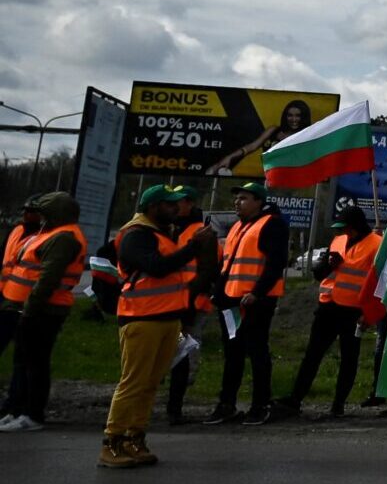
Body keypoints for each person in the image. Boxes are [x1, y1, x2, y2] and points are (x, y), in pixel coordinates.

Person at [104, 185, 203, 467]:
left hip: (166, 318)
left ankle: (134, 438)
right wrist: (192, 249)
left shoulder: (160, 234)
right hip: (141, 319)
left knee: (148, 384)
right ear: (152, 207)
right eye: (169, 204)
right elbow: (157, 267)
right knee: (133, 382)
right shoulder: (136, 235)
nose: (176, 208)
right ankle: (111, 441)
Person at [276, 204, 379, 420]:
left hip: (354, 311)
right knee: (313, 354)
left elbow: (380, 283)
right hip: (328, 306)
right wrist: (328, 264)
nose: (343, 232)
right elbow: (319, 274)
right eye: (341, 228)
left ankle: (338, 404)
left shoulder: (376, 244)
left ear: (358, 226)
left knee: (349, 359)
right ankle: (295, 399)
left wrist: (370, 314)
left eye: (347, 227)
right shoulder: (338, 240)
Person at [0, 191, 87, 431]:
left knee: (35, 363)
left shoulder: (64, 237)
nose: (39, 217)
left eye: (43, 212)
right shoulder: (51, 233)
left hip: (43, 310)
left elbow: (48, 278)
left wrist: (29, 309)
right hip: (26, 307)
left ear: (55, 213)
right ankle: (16, 409)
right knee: (23, 362)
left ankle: (32, 414)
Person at [210, 180, 288, 425]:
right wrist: (219, 293)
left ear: (258, 202)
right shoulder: (238, 227)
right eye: (237, 198)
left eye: (244, 198)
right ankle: (227, 404)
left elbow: (276, 264)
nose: (237, 202)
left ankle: (260, 404)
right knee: (233, 354)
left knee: (257, 352)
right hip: (232, 301)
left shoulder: (272, 224)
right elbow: (228, 265)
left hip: (257, 302)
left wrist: (258, 292)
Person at [164, 188, 217, 427]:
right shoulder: (170, 228)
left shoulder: (200, 232)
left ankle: (174, 408)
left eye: (178, 202)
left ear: (190, 203)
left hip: (192, 302)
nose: (173, 206)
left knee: (183, 355)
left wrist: (189, 300)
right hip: (167, 301)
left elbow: (206, 271)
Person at [0, 200, 38, 365]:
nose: (26, 215)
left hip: (23, 297)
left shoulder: (41, 236)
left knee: (22, 347)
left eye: (31, 211)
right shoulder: (16, 230)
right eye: (25, 211)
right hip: (4, 290)